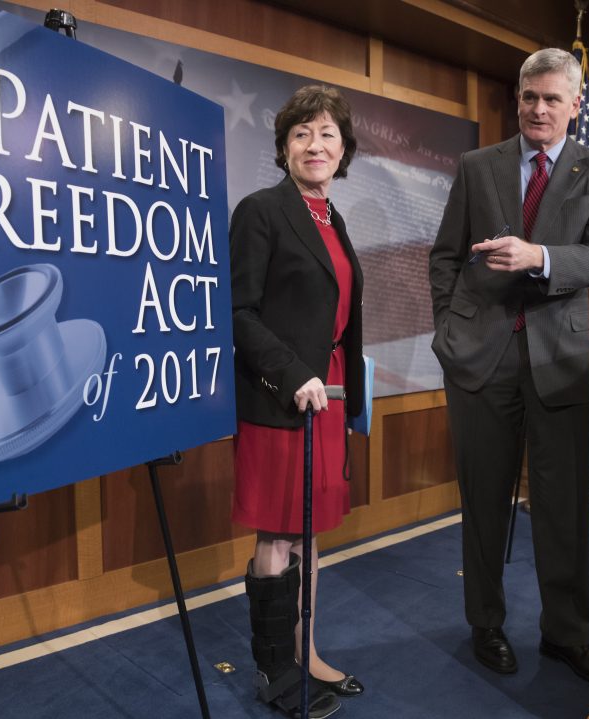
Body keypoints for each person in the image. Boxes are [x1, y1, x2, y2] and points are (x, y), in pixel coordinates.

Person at [428, 47, 589, 685]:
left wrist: (539, 256)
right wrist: (447, 329)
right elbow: (446, 255)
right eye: (528, 97)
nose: (538, 109)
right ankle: (485, 624)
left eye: (551, 99)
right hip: (480, 361)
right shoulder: (476, 166)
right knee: (484, 502)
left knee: (564, 507)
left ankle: (566, 633)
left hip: (563, 361)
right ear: (517, 99)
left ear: (575, 106)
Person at [231, 85, 365, 719]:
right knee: (280, 535)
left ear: (344, 150)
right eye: (302, 134)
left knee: (309, 536)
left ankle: (305, 654)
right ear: (284, 149)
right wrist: (291, 375)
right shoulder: (260, 211)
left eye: (328, 134)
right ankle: (273, 670)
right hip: (282, 398)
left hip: (329, 398)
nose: (316, 144)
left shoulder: (332, 219)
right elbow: (238, 313)